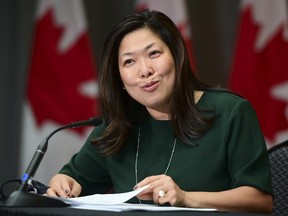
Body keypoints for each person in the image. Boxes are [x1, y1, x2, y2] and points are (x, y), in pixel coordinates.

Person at [47, 9, 273, 213]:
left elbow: (260, 200)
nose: (145, 71)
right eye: (129, 62)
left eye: (154, 53)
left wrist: (186, 198)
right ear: (120, 80)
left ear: (177, 57)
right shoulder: (118, 126)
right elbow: (73, 180)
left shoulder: (231, 112)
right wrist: (63, 182)